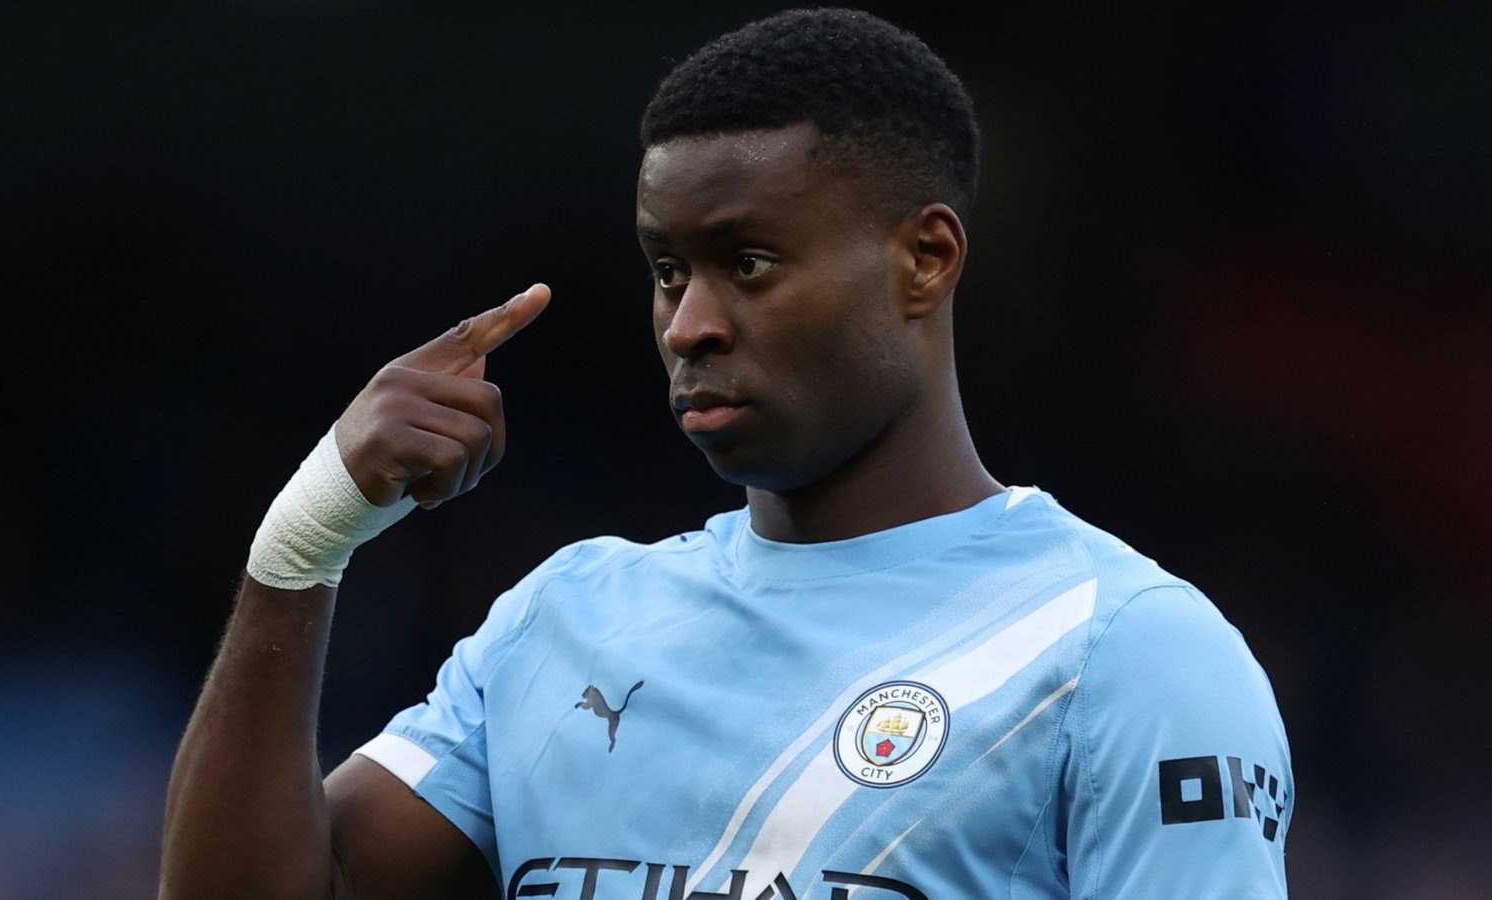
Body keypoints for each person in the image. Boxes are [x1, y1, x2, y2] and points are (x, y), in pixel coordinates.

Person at [160, 8, 1292, 900]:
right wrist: (303, 541)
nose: (689, 322)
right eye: (666, 270)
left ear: (924, 260)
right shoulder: (563, 622)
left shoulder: (1124, 652)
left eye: (746, 263)